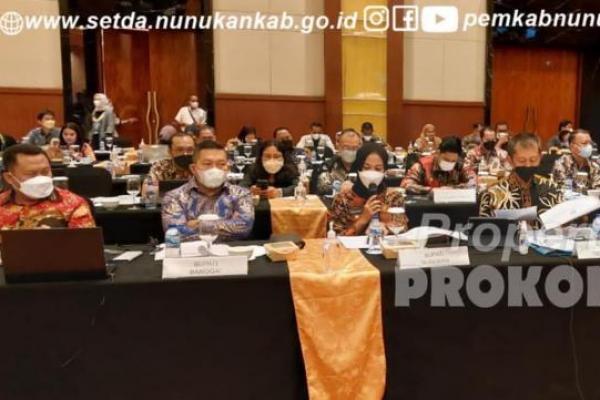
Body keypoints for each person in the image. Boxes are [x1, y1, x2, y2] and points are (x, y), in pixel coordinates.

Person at [161, 140, 254, 241]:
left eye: (221, 164)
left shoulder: (241, 194)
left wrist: (197, 224)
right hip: (190, 254)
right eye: (207, 164)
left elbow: (244, 228)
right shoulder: (175, 197)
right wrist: (226, 224)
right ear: (193, 168)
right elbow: (175, 234)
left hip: (229, 253)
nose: (215, 169)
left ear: (227, 168)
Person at [0, 144, 95, 229]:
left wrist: (54, 240)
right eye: (31, 174)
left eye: (45, 172)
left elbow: (86, 245)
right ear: (9, 178)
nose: (40, 178)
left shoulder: (73, 204)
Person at [479, 133, 563, 226]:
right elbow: (483, 232)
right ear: (510, 160)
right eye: (522, 161)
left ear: (540, 158)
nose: (528, 165)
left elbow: (560, 225)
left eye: (533, 160)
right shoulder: (492, 193)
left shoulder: (551, 188)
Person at [329, 143, 407, 235]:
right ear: (359, 168)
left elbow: (404, 231)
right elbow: (336, 238)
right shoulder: (343, 199)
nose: (372, 173)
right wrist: (363, 219)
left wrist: (387, 228)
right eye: (366, 168)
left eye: (378, 169)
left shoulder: (393, 197)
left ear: (384, 170)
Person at [401, 136, 472, 194]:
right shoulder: (422, 165)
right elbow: (406, 185)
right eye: (446, 160)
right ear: (438, 153)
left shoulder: (460, 165)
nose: (450, 163)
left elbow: (474, 184)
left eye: (453, 161)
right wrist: (432, 191)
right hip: (428, 206)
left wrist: (453, 189)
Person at [316, 128, 362, 195]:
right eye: (346, 147)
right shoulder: (329, 165)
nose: (351, 151)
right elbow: (322, 189)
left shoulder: (364, 166)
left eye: (355, 148)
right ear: (338, 146)